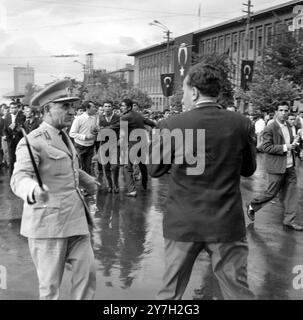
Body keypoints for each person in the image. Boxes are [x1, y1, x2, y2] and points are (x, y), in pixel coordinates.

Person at [149, 62, 256, 300]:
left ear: (195, 92)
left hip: (183, 223)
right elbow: (249, 169)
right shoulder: (242, 123)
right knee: (238, 292)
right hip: (226, 223)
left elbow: (155, 169)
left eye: (185, 91)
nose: (184, 97)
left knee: (170, 294)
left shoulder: (172, 124)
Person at [10, 80, 98, 299]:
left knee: (87, 277)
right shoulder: (32, 142)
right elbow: (19, 177)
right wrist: (32, 189)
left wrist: (86, 179)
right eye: (65, 106)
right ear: (47, 110)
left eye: (72, 106)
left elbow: (66, 166)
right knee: (50, 289)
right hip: (48, 226)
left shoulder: (63, 135)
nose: (71, 111)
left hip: (76, 220)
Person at [246, 101, 302, 231]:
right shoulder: (270, 128)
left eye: (286, 110)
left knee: (291, 193)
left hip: (290, 166)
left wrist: (295, 145)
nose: (283, 113)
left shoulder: (289, 125)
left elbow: (290, 143)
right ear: (276, 112)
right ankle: (252, 205)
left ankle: (289, 220)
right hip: (276, 167)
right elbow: (265, 147)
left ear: (289, 111)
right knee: (271, 193)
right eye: (281, 110)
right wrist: (284, 147)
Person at [118, 98, 156, 197]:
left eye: (123, 106)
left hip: (132, 144)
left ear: (129, 107)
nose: (121, 108)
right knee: (142, 165)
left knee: (127, 167)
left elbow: (122, 134)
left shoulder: (124, 117)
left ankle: (132, 190)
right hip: (143, 143)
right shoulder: (138, 115)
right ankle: (144, 186)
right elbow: (152, 123)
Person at [97, 100, 120, 193]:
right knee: (105, 166)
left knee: (115, 166)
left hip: (115, 144)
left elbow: (123, 130)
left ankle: (116, 185)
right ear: (103, 108)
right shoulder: (99, 118)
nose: (107, 108)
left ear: (112, 107)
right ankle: (110, 185)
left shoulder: (118, 117)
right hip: (103, 144)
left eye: (109, 106)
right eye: (105, 106)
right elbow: (96, 129)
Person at [69, 100, 98, 175]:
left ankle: (88, 186)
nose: (95, 109)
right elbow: (71, 133)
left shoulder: (94, 118)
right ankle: (80, 185)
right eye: (93, 107)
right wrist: (85, 137)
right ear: (87, 109)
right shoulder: (79, 119)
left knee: (88, 168)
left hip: (90, 146)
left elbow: (92, 130)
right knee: (80, 168)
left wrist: (95, 131)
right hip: (80, 146)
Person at [3, 101, 26, 176]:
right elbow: (5, 129)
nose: (13, 109)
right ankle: (11, 178)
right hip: (10, 141)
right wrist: (8, 136)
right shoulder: (7, 117)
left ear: (18, 108)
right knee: (11, 160)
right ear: (10, 109)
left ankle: (20, 176)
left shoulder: (22, 116)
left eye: (15, 108)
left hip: (19, 140)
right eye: (12, 108)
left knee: (20, 159)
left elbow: (20, 128)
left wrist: (14, 129)